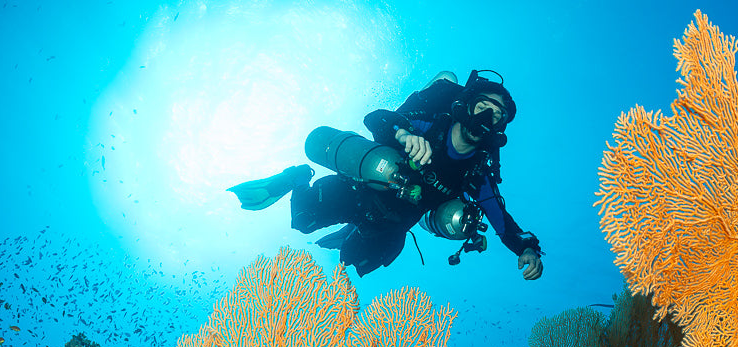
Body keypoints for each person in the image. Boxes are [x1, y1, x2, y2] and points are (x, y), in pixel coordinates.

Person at [228, 70, 544, 279]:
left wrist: (526, 248)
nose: (489, 117)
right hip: (360, 190)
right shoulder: (432, 123)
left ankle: (352, 235)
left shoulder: (478, 171)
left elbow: (500, 219)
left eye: (498, 116)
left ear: (500, 129)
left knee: (357, 263)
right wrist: (404, 135)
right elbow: (376, 118)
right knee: (303, 221)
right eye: (483, 107)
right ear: (466, 105)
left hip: (393, 225)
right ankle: (298, 177)